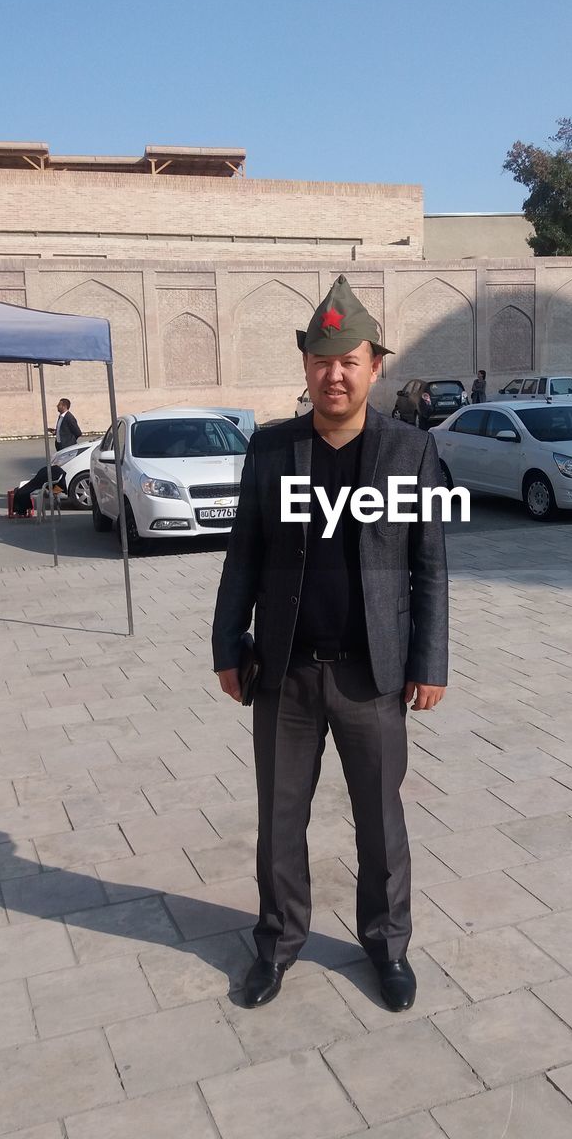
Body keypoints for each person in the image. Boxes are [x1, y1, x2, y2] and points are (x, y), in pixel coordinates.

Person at [212, 275, 448, 1012]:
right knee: (279, 822)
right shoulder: (271, 450)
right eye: (321, 359)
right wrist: (228, 644)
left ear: (376, 366)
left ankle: (387, 948)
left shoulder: (410, 453)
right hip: (283, 675)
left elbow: (429, 565)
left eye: (349, 359)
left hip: (371, 678)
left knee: (381, 822)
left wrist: (428, 663)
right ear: (306, 367)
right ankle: (277, 945)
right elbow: (244, 554)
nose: (333, 373)